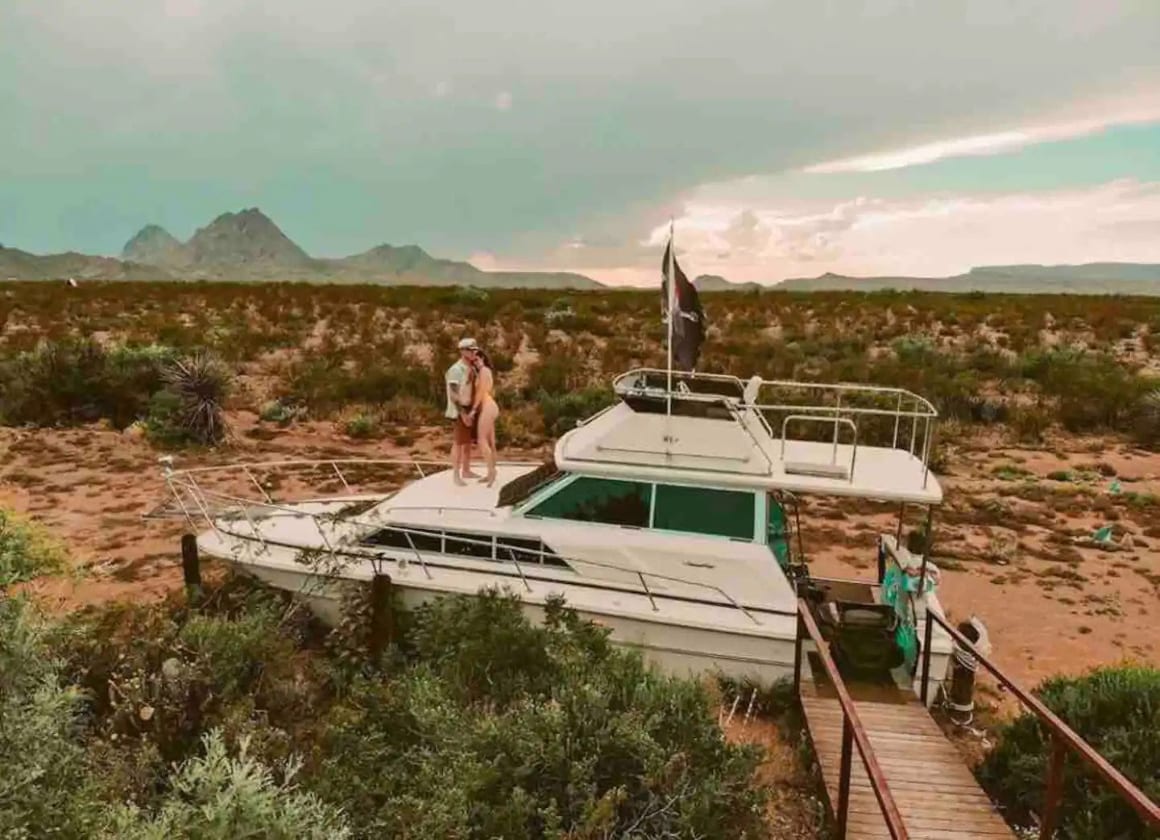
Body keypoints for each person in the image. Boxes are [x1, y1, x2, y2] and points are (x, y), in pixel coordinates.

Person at [445, 337, 480, 485]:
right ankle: (456, 475)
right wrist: (463, 413)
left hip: (469, 408)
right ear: (463, 351)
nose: (474, 353)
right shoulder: (456, 370)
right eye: (471, 350)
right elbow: (453, 394)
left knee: (467, 443)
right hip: (460, 410)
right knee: (458, 443)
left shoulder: (471, 368)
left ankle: (466, 470)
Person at [466, 347, 500, 486]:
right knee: (490, 441)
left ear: (483, 358)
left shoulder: (484, 372)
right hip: (489, 405)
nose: (475, 362)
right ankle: (491, 471)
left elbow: (480, 392)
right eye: (473, 361)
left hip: (487, 406)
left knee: (482, 440)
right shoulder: (485, 372)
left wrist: (473, 410)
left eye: (477, 359)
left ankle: (491, 473)